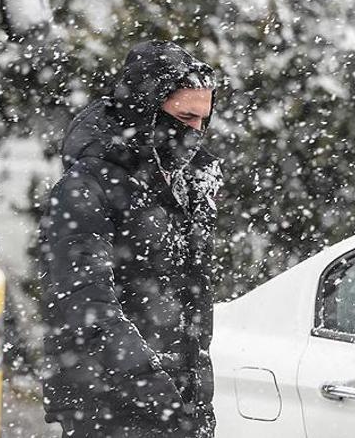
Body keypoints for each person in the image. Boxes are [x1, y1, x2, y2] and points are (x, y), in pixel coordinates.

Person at [37, 40, 223, 437]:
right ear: (146, 110)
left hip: (172, 405)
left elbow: (190, 305)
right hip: (108, 408)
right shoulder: (87, 187)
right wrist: (158, 397)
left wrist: (195, 404)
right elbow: (85, 305)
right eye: (184, 117)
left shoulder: (188, 185)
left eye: (201, 121)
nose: (194, 134)